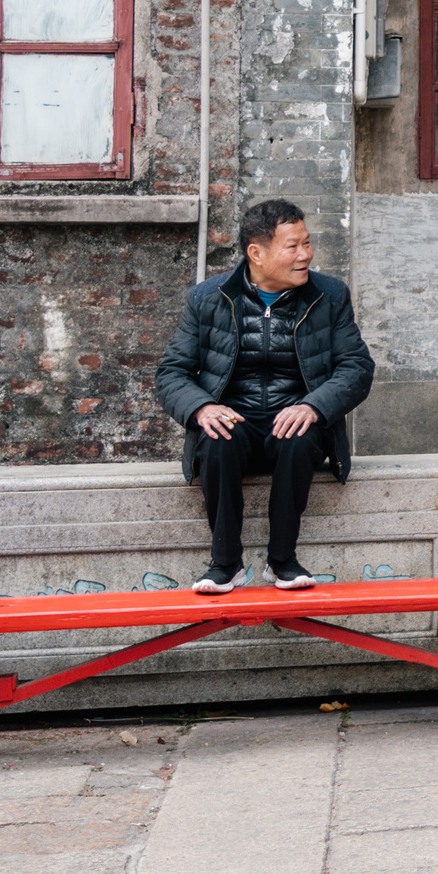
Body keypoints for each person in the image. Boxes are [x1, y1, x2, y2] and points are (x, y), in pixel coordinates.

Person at [155, 199, 374, 594]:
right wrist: (201, 407)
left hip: (295, 423)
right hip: (235, 422)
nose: (305, 255)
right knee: (218, 437)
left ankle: (282, 561)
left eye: (307, 244)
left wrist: (313, 405)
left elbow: (357, 368)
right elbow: (171, 372)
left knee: (297, 436)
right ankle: (225, 564)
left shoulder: (330, 296)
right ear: (256, 253)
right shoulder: (208, 298)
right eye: (293, 247)